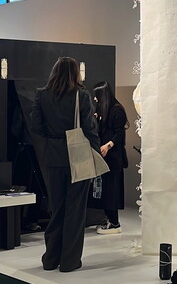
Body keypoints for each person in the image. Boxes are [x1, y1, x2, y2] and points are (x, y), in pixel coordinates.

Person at [30, 57, 100, 272]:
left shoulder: (41, 95)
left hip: (53, 156)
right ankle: (69, 261)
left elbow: (36, 127)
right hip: (77, 156)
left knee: (56, 208)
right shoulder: (82, 95)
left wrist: (50, 145)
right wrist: (96, 153)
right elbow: (89, 129)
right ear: (75, 73)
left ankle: (50, 258)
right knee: (75, 211)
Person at [89, 81, 129, 234]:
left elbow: (120, 133)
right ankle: (109, 219)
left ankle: (114, 223)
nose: (95, 99)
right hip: (105, 157)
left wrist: (108, 145)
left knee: (112, 189)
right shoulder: (102, 110)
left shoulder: (117, 110)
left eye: (97, 95)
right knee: (105, 189)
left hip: (114, 157)